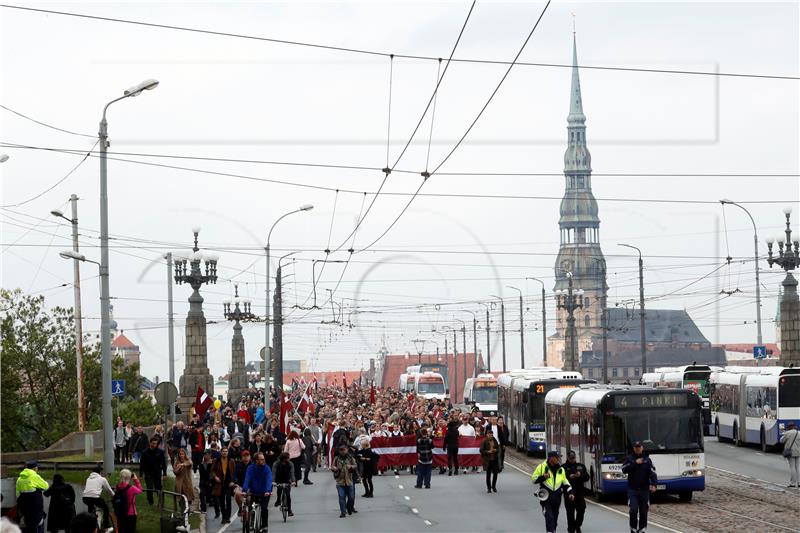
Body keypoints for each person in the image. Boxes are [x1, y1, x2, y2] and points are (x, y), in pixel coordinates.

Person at [531, 451, 574, 533]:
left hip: (557, 499)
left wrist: (571, 492)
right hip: (546, 498)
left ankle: (552, 530)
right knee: (549, 517)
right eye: (557, 457)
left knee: (554, 520)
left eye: (559, 457)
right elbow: (533, 479)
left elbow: (565, 482)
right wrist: (543, 477)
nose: (559, 459)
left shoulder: (561, 469)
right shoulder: (541, 467)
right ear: (551, 458)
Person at [621, 441, 657, 533]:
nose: (637, 448)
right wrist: (635, 463)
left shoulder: (647, 460)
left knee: (643, 512)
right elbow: (624, 469)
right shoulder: (629, 458)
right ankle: (633, 528)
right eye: (636, 447)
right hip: (632, 490)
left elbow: (653, 473)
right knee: (633, 510)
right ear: (634, 448)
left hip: (644, 490)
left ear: (642, 448)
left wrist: (654, 484)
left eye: (639, 447)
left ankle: (642, 529)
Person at [242, 452, 273, 532]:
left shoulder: (267, 468)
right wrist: (244, 490)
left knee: (264, 509)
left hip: (265, 492)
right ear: (256, 460)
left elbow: (269, 480)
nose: (263, 461)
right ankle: (251, 522)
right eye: (261, 460)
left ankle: (264, 526)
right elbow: (247, 479)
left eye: (264, 459)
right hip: (254, 492)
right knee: (251, 507)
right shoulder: (251, 468)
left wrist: (268, 490)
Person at [16, 460, 49, 533]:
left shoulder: (19, 479)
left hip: (25, 510)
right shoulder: (34, 476)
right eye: (37, 468)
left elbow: (18, 495)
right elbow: (46, 486)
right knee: (38, 527)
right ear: (34, 468)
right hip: (35, 509)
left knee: (28, 527)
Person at [563, 450, 589, 533]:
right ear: (567, 458)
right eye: (571, 458)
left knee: (581, 509)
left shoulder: (580, 466)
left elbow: (587, 477)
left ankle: (577, 525)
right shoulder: (563, 467)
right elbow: (561, 480)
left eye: (573, 458)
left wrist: (580, 475)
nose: (572, 459)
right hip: (569, 493)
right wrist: (569, 477)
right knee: (570, 514)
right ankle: (571, 530)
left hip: (579, 492)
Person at [81, 466, 113, 530]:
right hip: (95, 497)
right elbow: (109, 490)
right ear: (100, 472)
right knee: (106, 509)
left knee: (90, 509)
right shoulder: (102, 479)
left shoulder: (88, 479)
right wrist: (115, 496)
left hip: (85, 498)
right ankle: (106, 526)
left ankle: (89, 526)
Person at [139, 437, 167, 506]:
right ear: (150, 443)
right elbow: (142, 464)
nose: (155, 445)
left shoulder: (160, 452)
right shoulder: (145, 452)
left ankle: (161, 503)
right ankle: (150, 503)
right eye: (153, 443)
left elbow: (163, 463)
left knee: (159, 488)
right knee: (149, 488)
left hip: (157, 473)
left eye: (156, 444)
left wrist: (165, 474)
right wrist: (140, 475)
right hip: (148, 473)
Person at [331, 444, 358, 518]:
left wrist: (351, 466)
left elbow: (355, 465)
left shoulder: (350, 458)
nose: (342, 451)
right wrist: (335, 468)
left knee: (351, 497)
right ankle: (343, 512)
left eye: (344, 450)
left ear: (347, 450)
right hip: (340, 481)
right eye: (341, 450)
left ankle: (349, 508)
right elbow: (332, 466)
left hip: (349, 480)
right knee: (341, 497)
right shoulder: (337, 458)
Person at [210, 447, 233, 523]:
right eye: (223, 451)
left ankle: (228, 517)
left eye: (226, 451)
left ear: (228, 452)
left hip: (228, 483)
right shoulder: (217, 461)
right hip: (220, 483)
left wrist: (233, 481)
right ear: (221, 452)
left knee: (228, 500)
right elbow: (212, 470)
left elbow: (234, 472)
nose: (225, 453)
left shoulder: (231, 461)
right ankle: (224, 517)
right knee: (222, 501)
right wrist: (215, 477)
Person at [271, 453, 295, 517]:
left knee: (288, 495)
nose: (288, 459)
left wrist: (293, 481)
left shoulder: (290, 464)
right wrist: (273, 481)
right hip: (279, 479)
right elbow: (274, 473)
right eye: (287, 458)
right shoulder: (276, 464)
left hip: (287, 480)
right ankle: (278, 500)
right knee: (279, 489)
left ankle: (289, 510)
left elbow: (292, 473)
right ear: (283, 459)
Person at [480, 428, 500, 493]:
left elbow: (498, 448)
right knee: (488, 475)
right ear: (487, 435)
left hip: (494, 460)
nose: (491, 436)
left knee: (495, 474)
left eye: (491, 435)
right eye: (489, 435)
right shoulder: (484, 441)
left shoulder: (494, 440)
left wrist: (495, 450)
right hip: (487, 460)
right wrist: (488, 451)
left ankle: (493, 486)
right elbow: (481, 450)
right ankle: (489, 488)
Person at [232, 451, 252, 515]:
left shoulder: (253, 465)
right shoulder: (238, 465)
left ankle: (250, 509)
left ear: (250, 457)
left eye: (247, 456)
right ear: (242, 457)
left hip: (250, 486)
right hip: (240, 485)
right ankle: (240, 507)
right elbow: (234, 475)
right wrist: (234, 482)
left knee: (250, 499)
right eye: (244, 456)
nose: (246, 457)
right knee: (237, 494)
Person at [780, 422, 800, 487]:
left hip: (790, 452)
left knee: (792, 467)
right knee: (798, 467)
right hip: (798, 451)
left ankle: (793, 483)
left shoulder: (787, 433)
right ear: (794, 426)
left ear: (789, 427)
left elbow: (781, 441)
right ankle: (799, 482)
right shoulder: (799, 433)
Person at [198, 451, 215, 517]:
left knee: (209, 494)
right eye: (204, 455)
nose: (205, 456)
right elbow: (201, 473)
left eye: (207, 455)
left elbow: (212, 473)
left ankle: (211, 502)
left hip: (210, 482)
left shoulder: (212, 463)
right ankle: (203, 508)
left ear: (210, 455)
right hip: (202, 482)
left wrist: (210, 481)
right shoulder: (201, 463)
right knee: (202, 494)